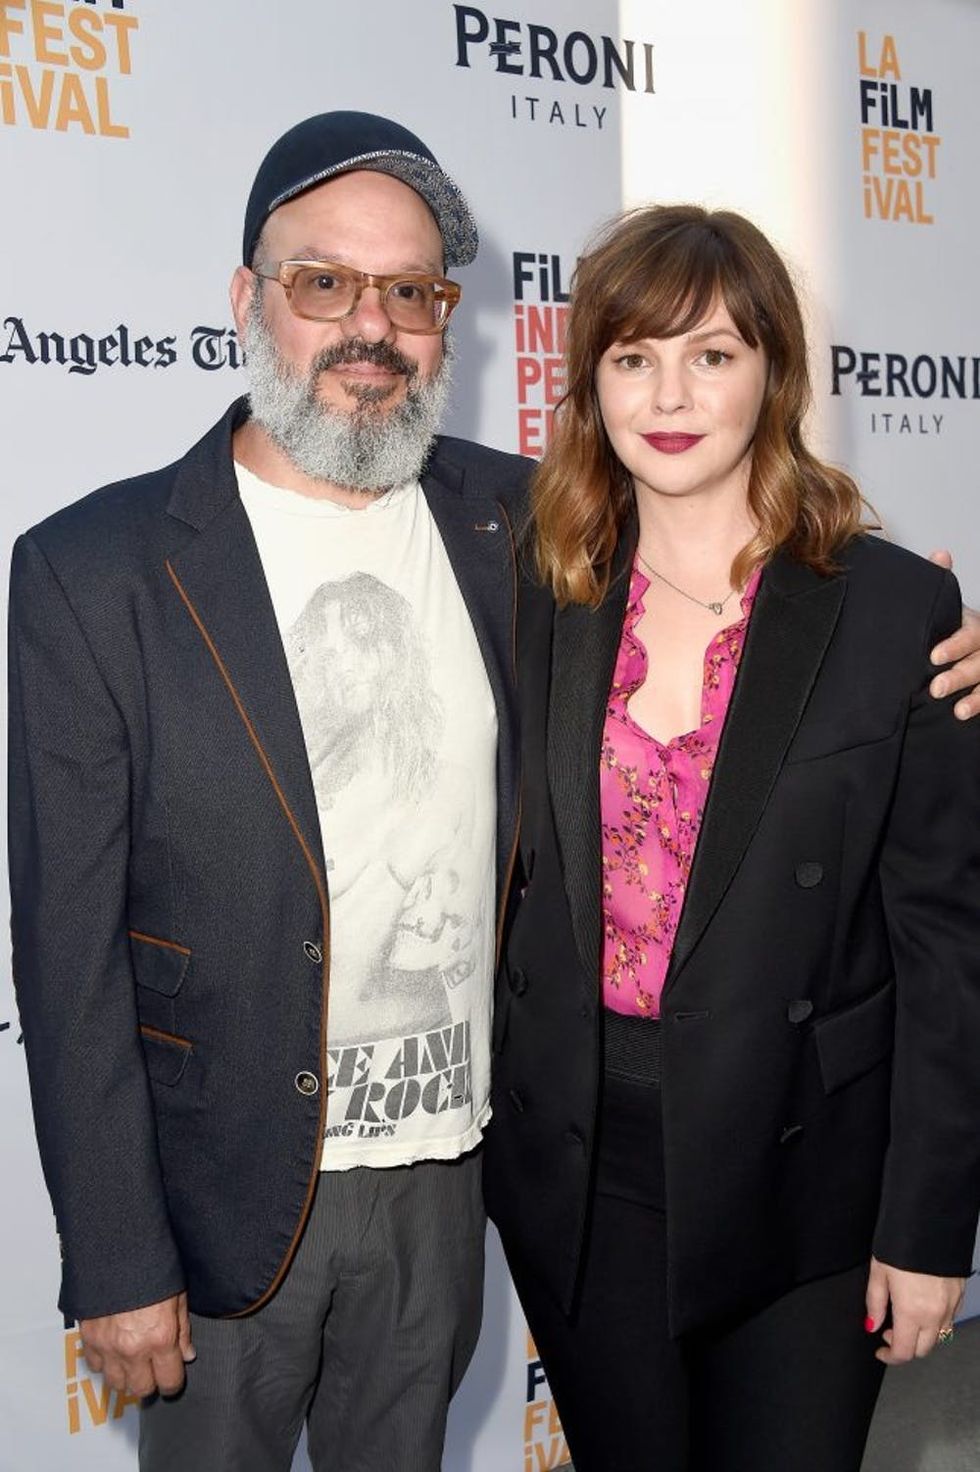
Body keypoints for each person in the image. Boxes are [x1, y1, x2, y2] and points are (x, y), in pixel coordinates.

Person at [8, 111, 528, 1472]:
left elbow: (725, 577)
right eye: (325, 284)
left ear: (443, 322)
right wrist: (118, 1254)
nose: (374, 327)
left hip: (445, 1178)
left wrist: (893, 612)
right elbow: (66, 956)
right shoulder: (94, 570)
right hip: (217, 1202)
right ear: (249, 301)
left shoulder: (525, 524)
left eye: (411, 292)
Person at [483, 204, 980, 1472]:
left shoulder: (890, 608)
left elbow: (944, 946)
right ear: (590, 379)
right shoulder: (541, 583)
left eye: (710, 354)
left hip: (805, 1176)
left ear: (772, 372)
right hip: (582, 1171)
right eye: (632, 355)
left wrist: (928, 1226)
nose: (669, 392)